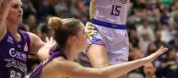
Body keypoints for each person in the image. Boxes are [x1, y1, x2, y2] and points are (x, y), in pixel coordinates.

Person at [29, 17, 167, 78]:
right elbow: (104, 74)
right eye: (84, 33)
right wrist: (145, 60)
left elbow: (45, 50)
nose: (88, 36)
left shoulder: (54, 53)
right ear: (73, 40)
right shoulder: (61, 64)